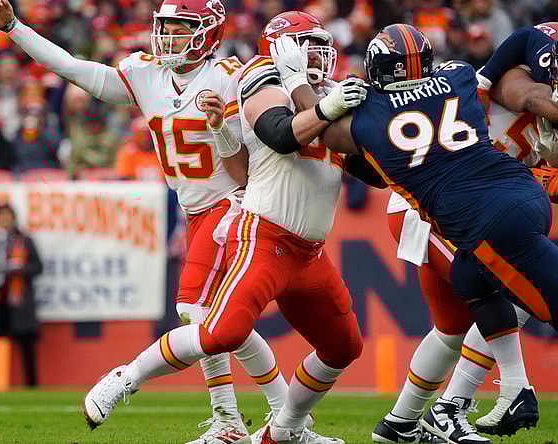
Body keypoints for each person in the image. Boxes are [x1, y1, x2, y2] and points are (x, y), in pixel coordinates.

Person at [0, 1, 298, 442]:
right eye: (164, 25)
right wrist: (14, 28)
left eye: (180, 27)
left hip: (231, 203)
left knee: (196, 312)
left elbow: (259, 148)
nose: (167, 35)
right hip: (195, 210)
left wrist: (228, 132)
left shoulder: (229, 76)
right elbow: (73, 68)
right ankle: (262, 417)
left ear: (208, 32)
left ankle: (245, 417)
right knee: (215, 323)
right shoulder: (146, 74)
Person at [286, 21, 558, 443]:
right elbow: (522, 76)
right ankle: (457, 405)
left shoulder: (378, 114)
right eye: (554, 66)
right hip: (477, 203)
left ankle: (440, 411)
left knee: (496, 318)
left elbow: (327, 129)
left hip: (478, 210)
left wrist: (298, 85)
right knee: (491, 286)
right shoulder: (470, 79)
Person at [80, 11, 374, 444]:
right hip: (264, 237)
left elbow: (364, 161)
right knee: (221, 333)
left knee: (344, 347)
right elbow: (280, 133)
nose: (321, 53)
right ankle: (128, 376)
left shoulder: (329, 92)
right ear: (283, 47)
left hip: (311, 252)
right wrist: (321, 102)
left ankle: (285, 431)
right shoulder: (261, 76)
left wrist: (381, 128)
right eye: (309, 43)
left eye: (321, 44)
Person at [0, 203, 42, 387]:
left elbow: (37, 267)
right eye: (1, 215)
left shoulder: (24, 241)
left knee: (25, 343)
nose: (4, 219)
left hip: (17, 299)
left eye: (7, 215)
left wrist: (18, 270)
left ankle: (31, 384)